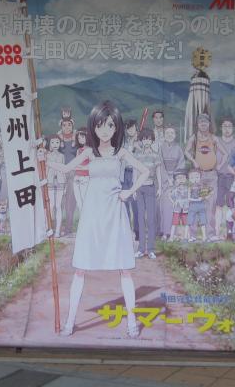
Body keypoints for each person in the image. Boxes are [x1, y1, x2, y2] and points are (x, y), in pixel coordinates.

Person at [45, 100, 149, 338]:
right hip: (92, 214)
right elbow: (65, 169)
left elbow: (145, 171)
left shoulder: (121, 153)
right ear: (93, 126)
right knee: (80, 269)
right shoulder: (88, 152)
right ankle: (70, 322)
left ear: (116, 127)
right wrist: (40, 160)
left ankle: (132, 322)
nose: (105, 130)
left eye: (110, 125)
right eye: (100, 125)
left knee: (125, 269)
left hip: (115, 213)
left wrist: (129, 192)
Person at [184, 113, 227, 241]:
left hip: (212, 175)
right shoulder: (194, 138)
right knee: (194, 203)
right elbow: (186, 151)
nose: (203, 124)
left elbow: (225, 154)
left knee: (210, 205)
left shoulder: (214, 138)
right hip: (198, 176)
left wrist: (219, 165)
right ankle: (192, 235)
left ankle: (210, 234)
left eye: (205, 122)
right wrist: (193, 161)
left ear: (209, 124)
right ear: (198, 124)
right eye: (201, 122)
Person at [133, 128, 162, 259]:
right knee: (140, 218)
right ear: (141, 140)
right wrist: (133, 188)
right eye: (144, 139)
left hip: (151, 188)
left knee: (150, 219)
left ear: (152, 140)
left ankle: (150, 249)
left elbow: (158, 172)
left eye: (149, 139)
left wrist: (160, 187)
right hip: (139, 189)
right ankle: (140, 249)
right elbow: (135, 172)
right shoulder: (137, 155)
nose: (146, 142)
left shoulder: (156, 155)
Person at [158, 124, 185, 240]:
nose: (170, 135)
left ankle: (173, 232)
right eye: (167, 133)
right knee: (164, 206)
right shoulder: (160, 148)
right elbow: (160, 164)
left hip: (175, 180)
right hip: (164, 181)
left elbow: (181, 164)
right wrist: (167, 178)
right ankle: (163, 231)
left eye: (172, 133)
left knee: (175, 206)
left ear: (175, 135)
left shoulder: (178, 148)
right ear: (164, 135)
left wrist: (175, 178)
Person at [215, 118, 235, 238]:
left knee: (231, 205)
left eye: (229, 126)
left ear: (233, 128)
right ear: (221, 128)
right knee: (218, 205)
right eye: (225, 126)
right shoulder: (217, 141)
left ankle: (231, 232)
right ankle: (216, 232)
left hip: (232, 177)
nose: (227, 129)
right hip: (219, 176)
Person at [121, 119, 140, 240]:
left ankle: (137, 230)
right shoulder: (124, 142)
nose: (130, 130)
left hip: (135, 173)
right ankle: (127, 229)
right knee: (125, 203)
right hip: (124, 174)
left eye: (132, 128)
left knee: (135, 203)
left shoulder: (141, 141)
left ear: (136, 128)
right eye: (128, 128)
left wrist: (137, 147)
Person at [46, 134, 66, 237]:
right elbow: (46, 170)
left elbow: (63, 170)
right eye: (53, 142)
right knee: (51, 206)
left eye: (57, 142)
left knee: (58, 206)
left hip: (60, 181)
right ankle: (49, 229)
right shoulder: (47, 155)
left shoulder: (62, 156)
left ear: (60, 144)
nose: (55, 144)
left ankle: (57, 231)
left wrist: (65, 184)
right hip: (50, 181)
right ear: (49, 144)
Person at [187, 169, 209, 242]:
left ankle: (204, 236)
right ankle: (192, 236)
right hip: (193, 206)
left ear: (200, 178)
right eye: (192, 178)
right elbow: (188, 198)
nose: (195, 179)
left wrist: (203, 197)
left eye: (197, 177)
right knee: (192, 221)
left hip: (201, 205)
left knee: (203, 221)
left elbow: (205, 196)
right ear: (189, 179)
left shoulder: (202, 186)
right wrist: (196, 199)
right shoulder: (190, 187)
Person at [168, 170, 189, 241]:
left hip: (185, 209)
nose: (181, 180)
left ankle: (186, 237)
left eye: (183, 177)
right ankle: (171, 237)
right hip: (177, 208)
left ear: (186, 179)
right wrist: (173, 202)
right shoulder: (175, 190)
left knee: (186, 223)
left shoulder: (187, 189)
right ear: (175, 180)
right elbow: (169, 195)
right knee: (174, 223)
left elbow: (189, 197)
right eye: (178, 178)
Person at [73, 127, 89, 215]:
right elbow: (75, 164)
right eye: (79, 138)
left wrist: (80, 167)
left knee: (85, 201)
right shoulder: (79, 150)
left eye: (82, 137)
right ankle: (82, 221)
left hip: (86, 178)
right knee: (79, 202)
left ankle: (87, 221)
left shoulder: (91, 150)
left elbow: (92, 166)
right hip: (77, 178)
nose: (80, 140)